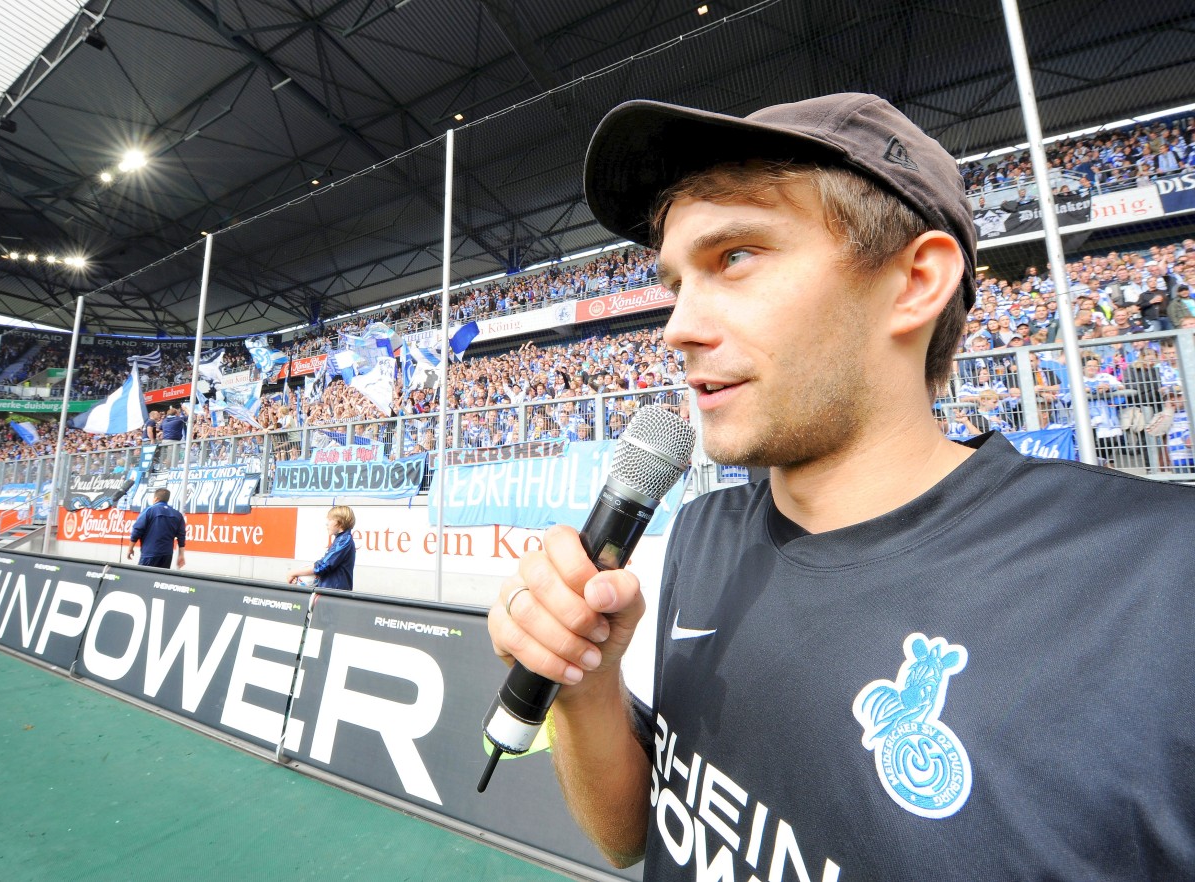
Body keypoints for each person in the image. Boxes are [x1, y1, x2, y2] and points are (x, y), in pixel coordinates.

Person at [487, 93, 1195, 879]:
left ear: (916, 281)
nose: (677, 327)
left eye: (736, 257)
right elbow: (633, 838)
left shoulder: (1163, 583)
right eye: (675, 283)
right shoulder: (703, 531)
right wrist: (587, 681)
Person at [286, 505, 356, 591]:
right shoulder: (341, 539)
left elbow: (322, 566)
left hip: (335, 596)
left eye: (330, 520)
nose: (327, 523)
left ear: (340, 522)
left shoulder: (344, 540)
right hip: (331, 593)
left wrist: (293, 572)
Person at [127, 487, 186, 569]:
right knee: (160, 580)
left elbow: (137, 530)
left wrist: (130, 548)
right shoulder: (177, 515)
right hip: (167, 555)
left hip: (150, 553)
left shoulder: (149, 511)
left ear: (156, 499)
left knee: (143, 578)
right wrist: (181, 555)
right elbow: (181, 536)